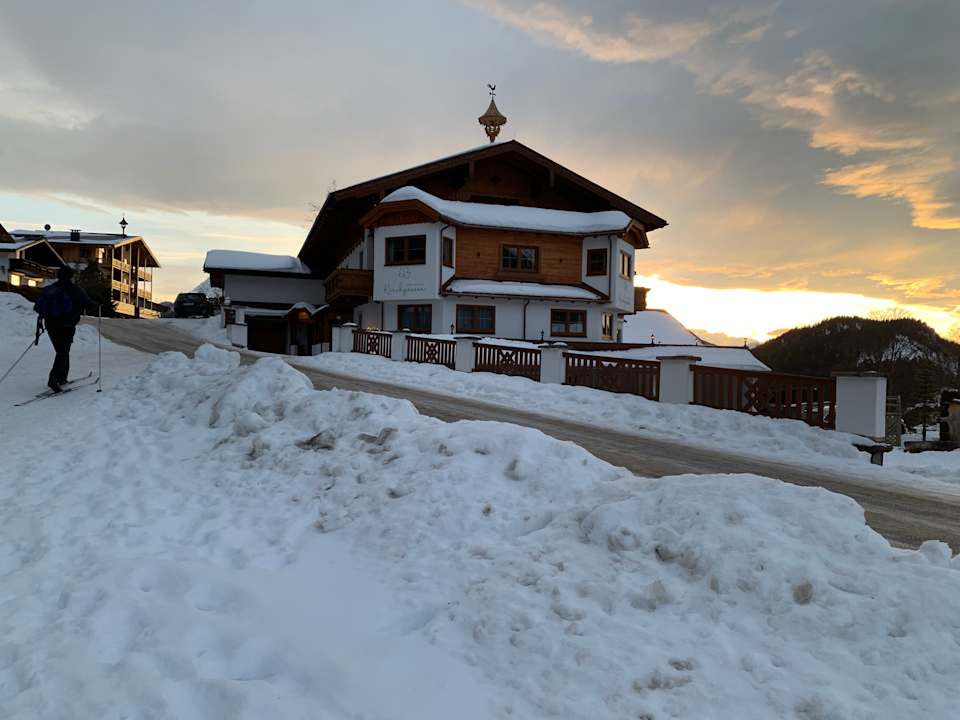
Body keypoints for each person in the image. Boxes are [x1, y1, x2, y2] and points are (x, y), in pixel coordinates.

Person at [34, 266, 98, 392]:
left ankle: (62, 377)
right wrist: (97, 305)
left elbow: (39, 306)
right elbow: (89, 304)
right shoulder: (75, 289)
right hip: (66, 324)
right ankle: (54, 378)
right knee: (63, 351)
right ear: (71, 276)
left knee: (61, 351)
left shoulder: (50, 289)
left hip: (50, 324)